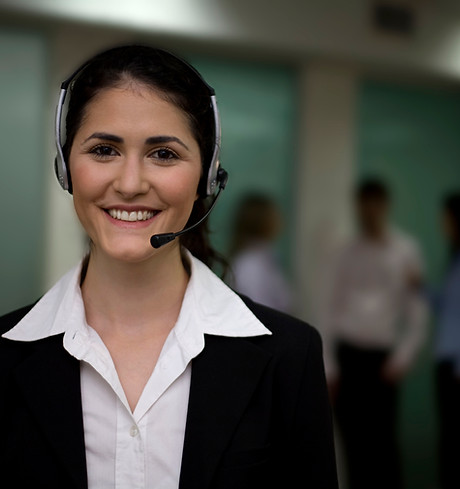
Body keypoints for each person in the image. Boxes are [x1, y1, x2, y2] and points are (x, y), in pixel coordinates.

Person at [0, 45, 338, 489]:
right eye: (103, 149)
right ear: (65, 167)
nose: (130, 183)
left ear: (207, 177)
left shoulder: (290, 357)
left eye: (163, 154)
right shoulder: (2, 357)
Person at [322, 178, 427, 489]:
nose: (368, 212)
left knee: (383, 445)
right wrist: (330, 366)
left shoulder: (406, 251)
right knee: (352, 443)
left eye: (374, 205)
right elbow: (330, 307)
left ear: (384, 206)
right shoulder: (346, 252)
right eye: (363, 206)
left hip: (383, 360)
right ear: (357, 207)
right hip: (349, 356)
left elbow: (416, 311)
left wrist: (403, 356)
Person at [433, 192, 460, 489]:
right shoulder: (454, 258)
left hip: (456, 365)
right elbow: (450, 306)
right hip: (446, 362)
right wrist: (422, 290)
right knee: (449, 438)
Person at [228, 193, 293, 313]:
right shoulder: (249, 264)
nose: (280, 221)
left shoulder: (266, 257)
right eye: (274, 216)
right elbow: (257, 308)